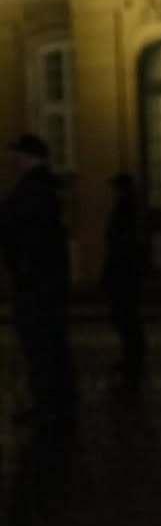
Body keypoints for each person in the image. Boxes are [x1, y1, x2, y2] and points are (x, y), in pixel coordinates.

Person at [0, 133, 75, 427]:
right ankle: (55, 405)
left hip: (35, 283)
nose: (11, 160)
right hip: (43, 281)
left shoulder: (33, 190)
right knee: (50, 346)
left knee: (41, 347)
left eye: (16, 154)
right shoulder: (43, 187)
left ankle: (50, 407)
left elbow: (21, 233)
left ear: (27, 156)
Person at [102, 172, 146, 387]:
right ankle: (132, 358)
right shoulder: (130, 208)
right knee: (127, 318)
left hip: (124, 273)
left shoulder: (125, 209)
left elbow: (120, 243)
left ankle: (132, 360)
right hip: (126, 273)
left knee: (126, 318)